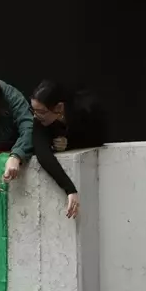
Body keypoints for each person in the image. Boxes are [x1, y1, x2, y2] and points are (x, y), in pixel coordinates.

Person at [29, 81, 108, 218]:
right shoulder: (40, 120)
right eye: (33, 110)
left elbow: (99, 137)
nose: (36, 116)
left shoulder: (85, 109)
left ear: (59, 107)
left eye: (41, 111)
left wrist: (70, 143)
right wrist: (70, 189)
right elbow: (42, 153)